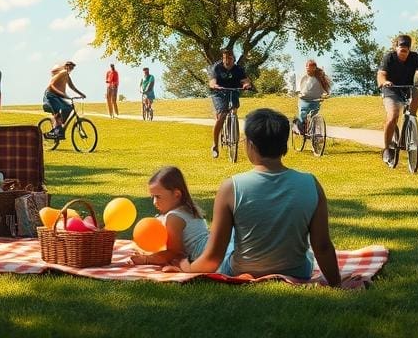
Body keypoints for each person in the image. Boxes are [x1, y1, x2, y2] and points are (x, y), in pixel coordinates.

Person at [181, 108, 341, 286]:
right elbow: (323, 246)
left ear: (250, 144)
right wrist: (337, 283)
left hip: (242, 271)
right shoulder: (310, 184)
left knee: (232, 235)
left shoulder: (231, 188)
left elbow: (213, 258)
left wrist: (185, 269)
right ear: (284, 144)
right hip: (298, 271)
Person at [130, 166, 208, 268]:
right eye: (152, 197)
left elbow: (174, 253)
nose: (154, 202)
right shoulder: (186, 209)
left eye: (158, 196)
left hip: (209, 255)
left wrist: (146, 259)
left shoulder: (174, 218)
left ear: (176, 194)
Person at [376, 35, 418, 166]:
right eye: (401, 48)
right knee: (393, 115)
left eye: (406, 49)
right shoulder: (389, 57)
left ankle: (410, 122)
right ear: (396, 48)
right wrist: (385, 82)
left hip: (407, 88)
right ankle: (387, 148)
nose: (403, 51)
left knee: (417, 96)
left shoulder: (415, 57)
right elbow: (381, 75)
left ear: (409, 49)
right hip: (390, 89)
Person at [208, 49, 253, 159]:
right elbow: (212, 81)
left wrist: (246, 85)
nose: (227, 60)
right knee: (222, 115)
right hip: (218, 93)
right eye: (225, 58)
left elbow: (246, 80)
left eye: (229, 58)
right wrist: (214, 86)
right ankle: (215, 145)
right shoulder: (217, 67)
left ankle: (233, 134)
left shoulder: (238, 69)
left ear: (233, 59)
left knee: (233, 111)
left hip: (233, 91)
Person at [44, 61, 86, 137]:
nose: (71, 69)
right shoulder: (63, 72)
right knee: (58, 114)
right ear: (66, 66)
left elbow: (72, 87)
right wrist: (62, 94)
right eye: (70, 67)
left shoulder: (67, 75)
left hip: (58, 96)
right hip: (51, 95)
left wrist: (81, 94)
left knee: (69, 107)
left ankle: (59, 128)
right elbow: (51, 85)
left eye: (72, 68)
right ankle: (55, 131)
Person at [293, 59, 331, 134]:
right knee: (303, 115)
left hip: (315, 100)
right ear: (306, 67)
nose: (309, 71)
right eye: (308, 68)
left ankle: (315, 132)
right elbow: (298, 88)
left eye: (311, 69)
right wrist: (298, 93)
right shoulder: (303, 77)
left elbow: (324, 89)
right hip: (304, 100)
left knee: (314, 115)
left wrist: (325, 95)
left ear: (314, 68)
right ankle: (298, 127)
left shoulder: (319, 78)